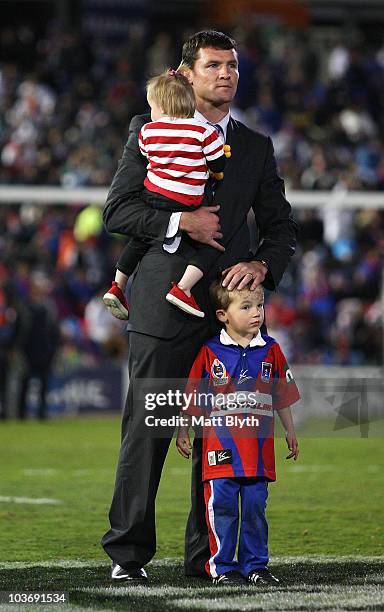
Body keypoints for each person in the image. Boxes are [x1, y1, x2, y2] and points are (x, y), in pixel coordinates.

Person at [101, 29, 298, 582]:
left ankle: (207, 558)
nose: (226, 74)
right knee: (150, 427)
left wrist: (261, 265)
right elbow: (118, 210)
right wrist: (179, 221)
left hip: (228, 317)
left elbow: (282, 226)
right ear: (186, 74)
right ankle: (128, 556)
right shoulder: (147, 129)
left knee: (222, 438)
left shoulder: (255, 145)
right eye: (213, 66)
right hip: (163, 308)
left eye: (231, 66)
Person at [176, 280, 300, 585]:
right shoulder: (210, 351)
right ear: (223, 315)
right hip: (221, 451)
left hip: (258, 453)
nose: (256, 313)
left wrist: (290, 429)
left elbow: (281, 394)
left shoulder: (271, 350)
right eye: (246, 307)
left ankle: (256, 566)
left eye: (259, 305)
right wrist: (182, 429)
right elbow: (194, 394)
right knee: (223, 507)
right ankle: (223, 568)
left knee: (256, 509)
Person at [103, 69, 231, 320]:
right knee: (213, 244)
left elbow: (148, 155)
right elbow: (218, 163)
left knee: (139, 239)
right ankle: (183, 288)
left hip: (154, 196)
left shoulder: (147, 131)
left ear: (160, 106)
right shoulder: (203, 132)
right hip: (188, 200)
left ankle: (117, 285)